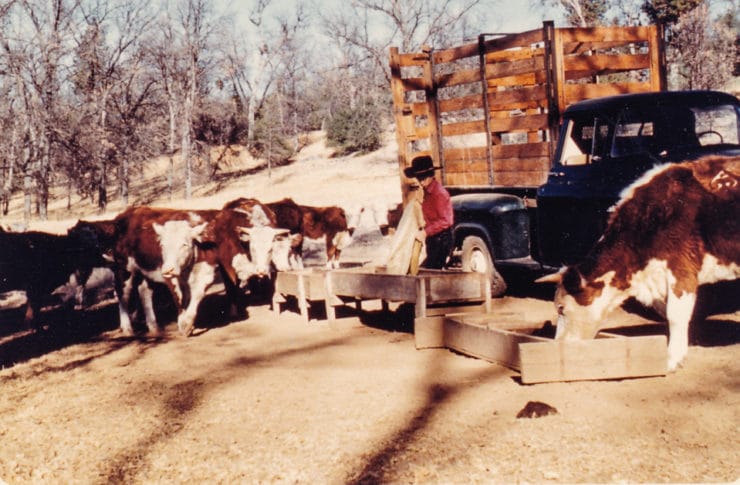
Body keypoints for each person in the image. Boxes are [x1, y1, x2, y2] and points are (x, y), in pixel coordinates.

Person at [403, 155, 454, 269]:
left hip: (442, 239)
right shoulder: (426, 192)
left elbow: (446, 220)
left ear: (431, 175)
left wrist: (426, 232)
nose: (421, 181)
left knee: (432, 271)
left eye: (423, 178)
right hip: (432, 238)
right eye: (418, 178)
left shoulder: (439, 193)